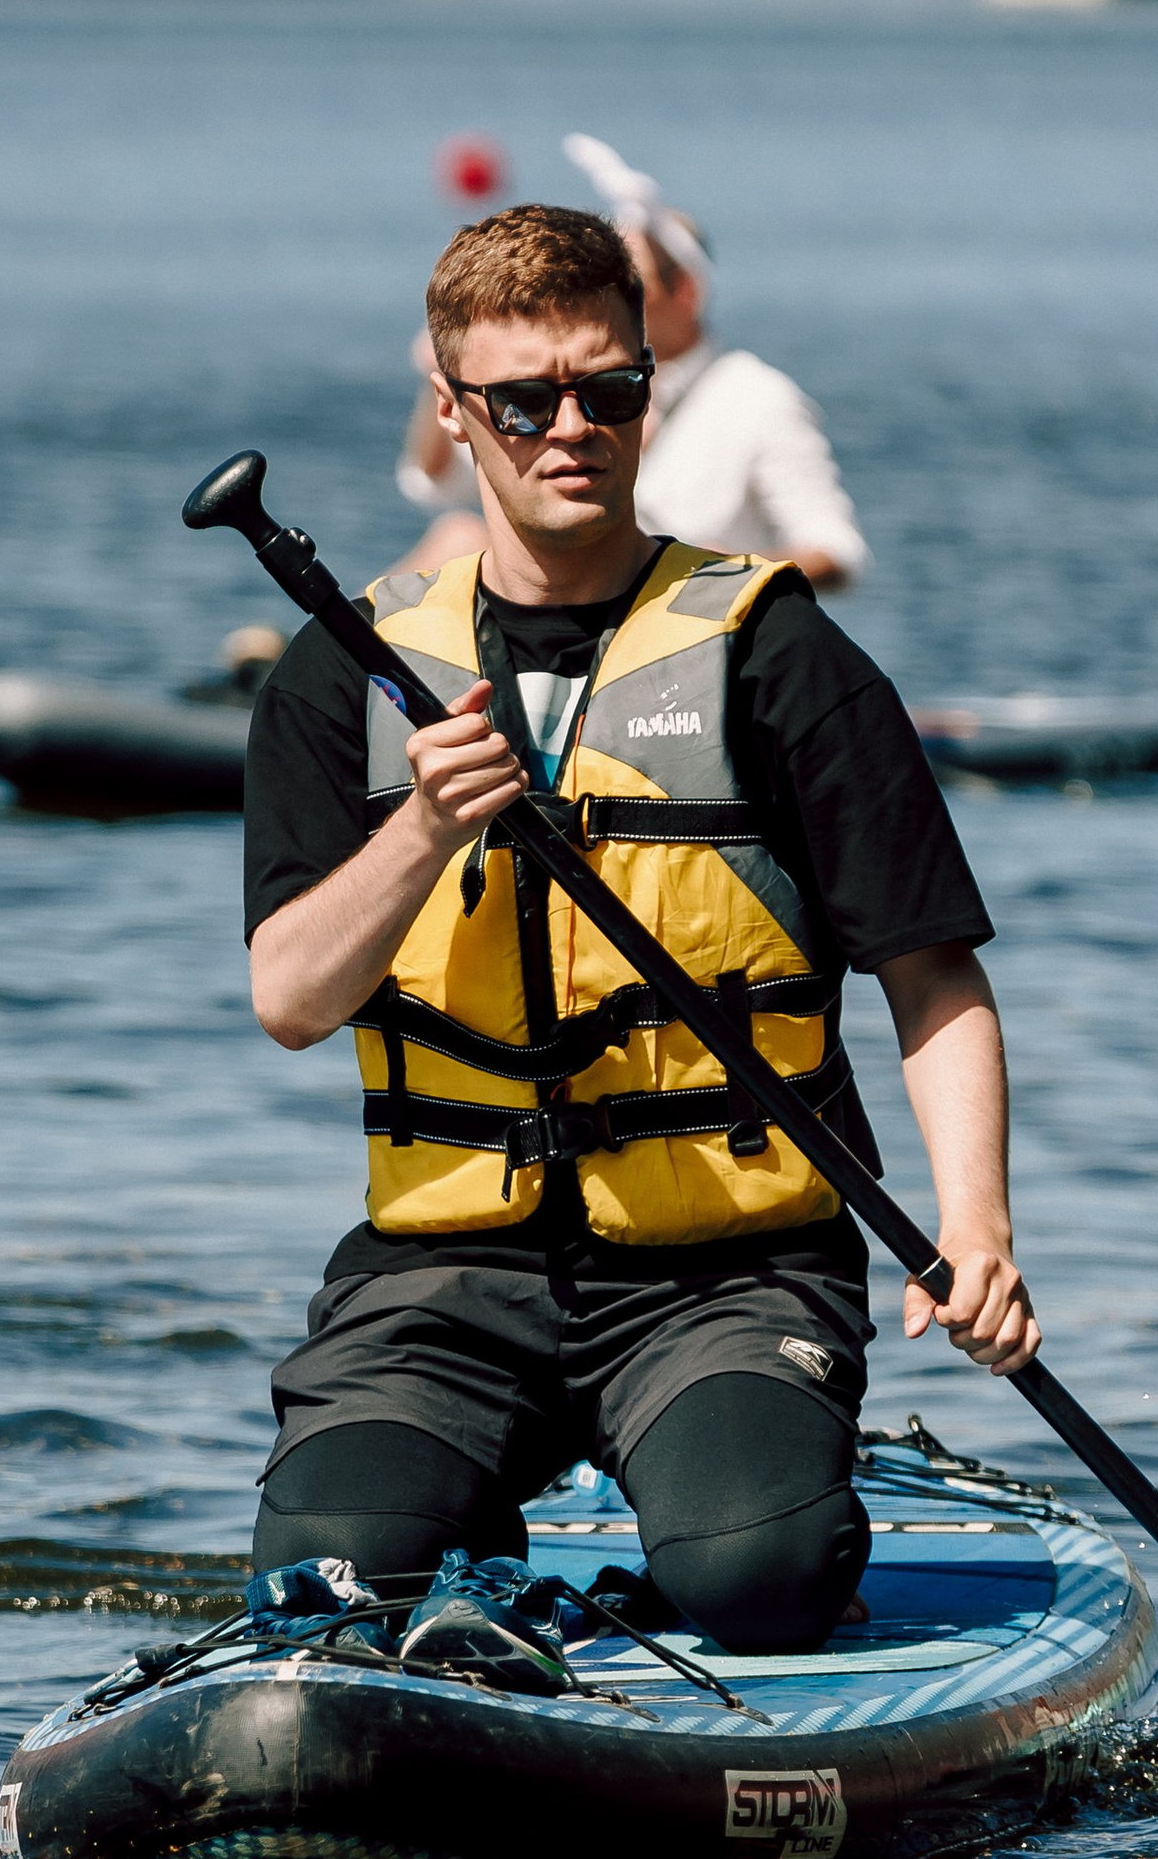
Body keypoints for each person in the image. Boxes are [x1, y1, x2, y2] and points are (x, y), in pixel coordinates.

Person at [245, 201, 1032, 1661]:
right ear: (452, 411)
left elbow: (935, 974)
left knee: (762, 1581)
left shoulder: (775, 653)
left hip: (731, 1272)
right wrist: (421, 830)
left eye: (608, 390)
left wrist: (973, 1227)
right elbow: (290, 999)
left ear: (647, 391)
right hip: (443, 1276)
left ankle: (753, 1509)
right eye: (524, 400)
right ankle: (458, 1544)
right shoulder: (346, 675)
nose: (570, 429)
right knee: (322, 1580)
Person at [392, 138, 870, 590]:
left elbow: (838, 551)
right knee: (458, 538)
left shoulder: (757, 396)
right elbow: (434, 484)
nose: (607, 293)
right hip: (582, 615)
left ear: (687, 291)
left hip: (695, 630)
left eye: (629, 278)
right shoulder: (563, 386)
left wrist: (720, 573)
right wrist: (448, 372)